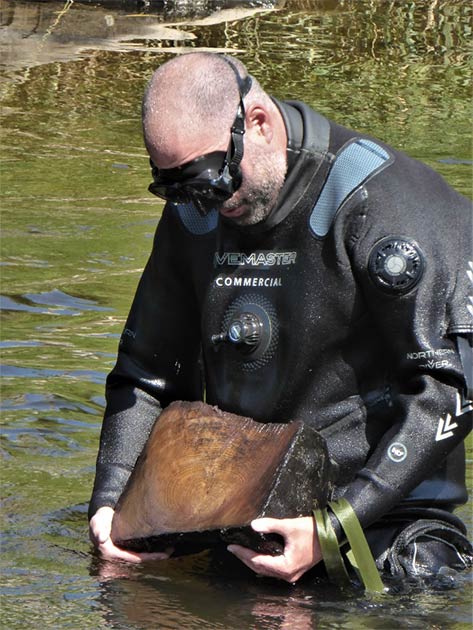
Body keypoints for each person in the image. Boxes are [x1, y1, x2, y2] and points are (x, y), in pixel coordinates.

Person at [89, 52, 472, 583]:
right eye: (182, 192)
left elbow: (452, 387)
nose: (209, 204)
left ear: (259, 123)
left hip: (380, 523)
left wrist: (333, 528)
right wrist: (111, 504)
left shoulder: (384, 205)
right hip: (240, 522)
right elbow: (145, 374)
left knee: (422, 587)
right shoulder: (194, 213)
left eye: (216, 182)